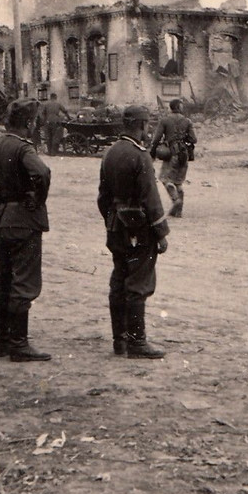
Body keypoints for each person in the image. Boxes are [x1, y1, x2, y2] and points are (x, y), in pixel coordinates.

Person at [0, 98, 52, 362]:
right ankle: (19, 345)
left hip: (3, 218)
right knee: (24, 281)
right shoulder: (24, 148)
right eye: (34, 120)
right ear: (28, 122)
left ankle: (4, 341)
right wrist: (35, 200)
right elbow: (43, 173)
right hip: (24, 221)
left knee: (4, 279)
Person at [99, 105, 171, 358]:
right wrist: (161, 232)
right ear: (140, 125)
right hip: (139, 229)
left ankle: (120, 341)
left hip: (115, 227)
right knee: (139, 283)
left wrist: (113, 220)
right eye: (148, 125)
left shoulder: (109, 153)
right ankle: (137, 343)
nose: (149, 129)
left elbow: (102, 198)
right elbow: (151, 199)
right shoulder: (140, 155)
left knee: (119, 280)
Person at [148, 98, 197, 217]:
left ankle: (176, 200)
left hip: (170, 153)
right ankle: (178, 212)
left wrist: (153, 153)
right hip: (183, 154)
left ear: (171, 108)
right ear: (179, 107)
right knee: (179, 182)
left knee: (165, 179)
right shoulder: (187, 121)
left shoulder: (165, 120)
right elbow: (193, 139)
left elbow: (156, 139)